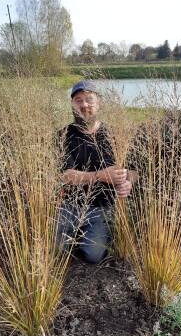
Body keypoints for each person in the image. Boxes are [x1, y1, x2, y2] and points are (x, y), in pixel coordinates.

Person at [56, 80, 133, 264]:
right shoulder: (62, 135)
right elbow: (65, 176)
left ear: (99, 103)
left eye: (89, 99)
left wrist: (128, 182)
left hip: (101, 207)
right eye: (78, 100)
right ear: (72, 104)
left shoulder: (115, 134)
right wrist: (100, 175)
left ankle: (86, 237)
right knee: (55, 248)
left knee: (93, 255)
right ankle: (73, 236)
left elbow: (132, 171)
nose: (84, 105)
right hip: (70, 205)